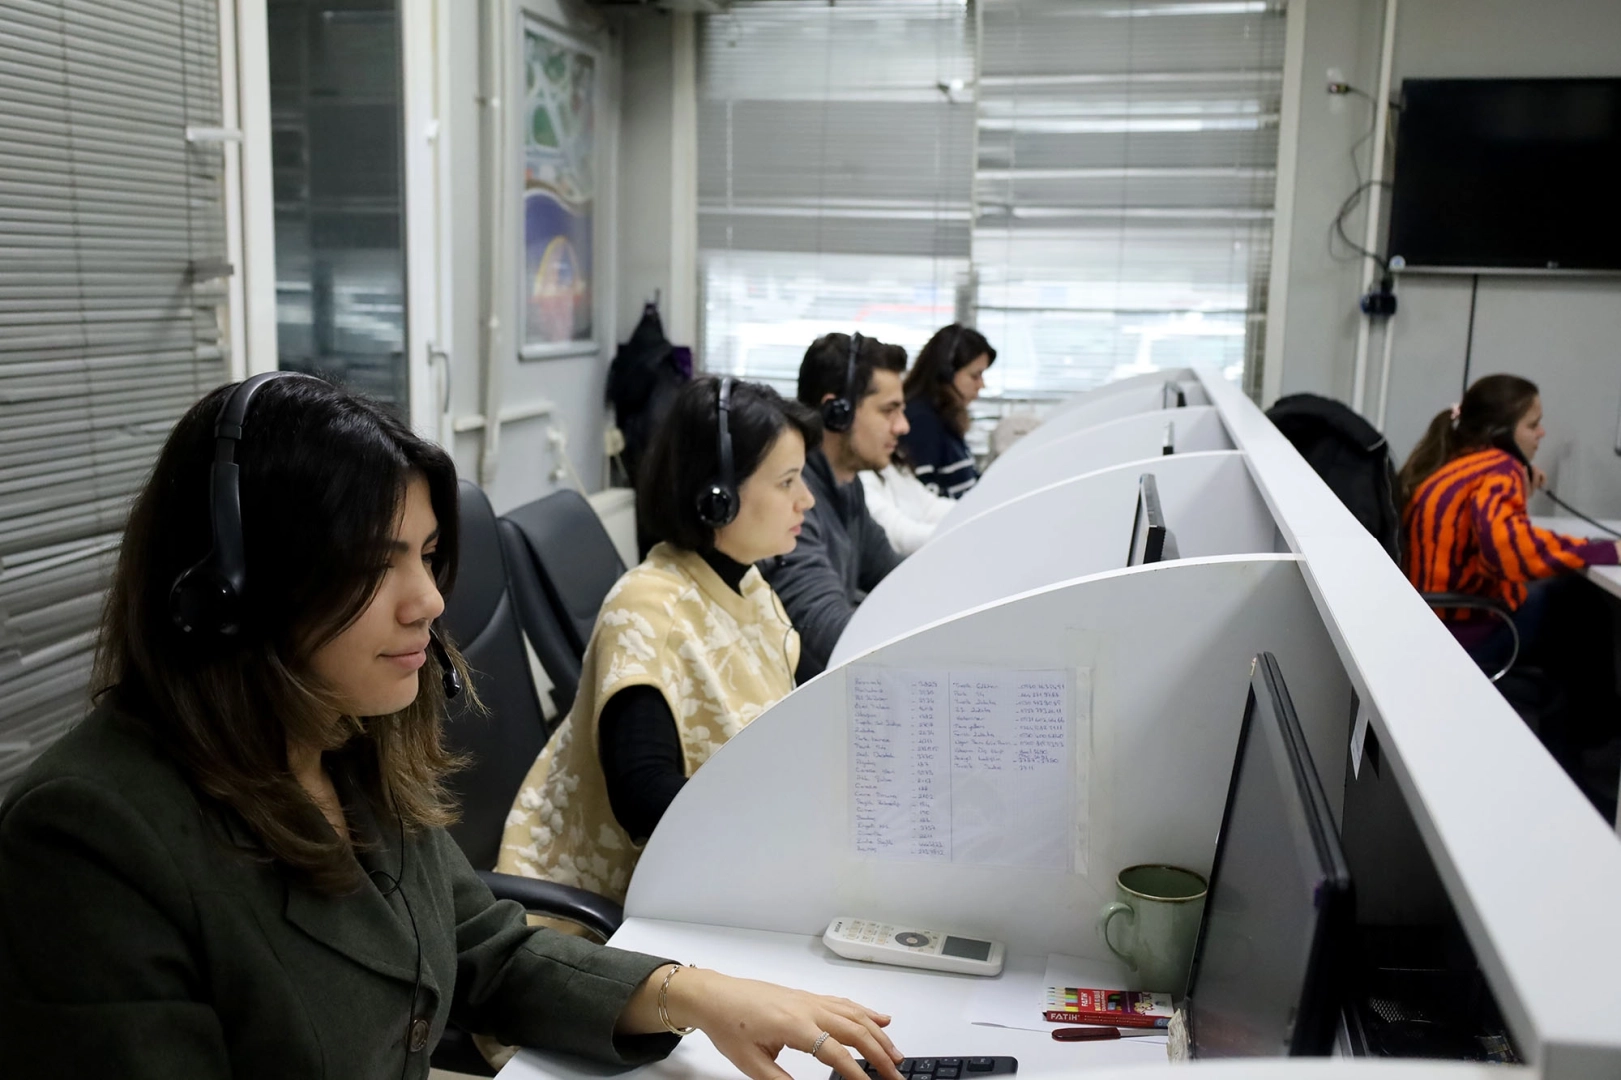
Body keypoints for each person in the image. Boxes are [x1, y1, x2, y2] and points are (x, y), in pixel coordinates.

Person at [0, 373, 903, 1080]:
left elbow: (484, 951)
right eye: (373, 565)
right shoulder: (88, 838)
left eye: (428, 557)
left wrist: (695, 996)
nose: (429, 602)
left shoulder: (342, 740)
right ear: (231, 591)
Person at [499, 376, 817, 900]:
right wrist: (781, 826)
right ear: (717, 497)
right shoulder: (646, 609)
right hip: (611, 905)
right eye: (787, 482)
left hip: (708, 864)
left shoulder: (748, 585)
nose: (806, 500)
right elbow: (644, 798)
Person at [1399, 373, 1620, 756]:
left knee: (1563, 600)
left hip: (1435, 617)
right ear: (1500, 433)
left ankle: (1580, 740)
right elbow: (1509, 555)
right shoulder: (1500, 469)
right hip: (1466, 626)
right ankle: (1594, 744)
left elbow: (1494, 540)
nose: (1542, 433)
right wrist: (1603, 552)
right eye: (1533, 425)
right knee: (1579, 601)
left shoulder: (1457, 462)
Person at [763, 332, 909, 680]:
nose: (902, 426)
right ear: (837, 411)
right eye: (888, 410)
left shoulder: (846, 485)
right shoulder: (794, 502)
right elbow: (833, 635)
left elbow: (898, 578)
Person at [899, 323, 997, 498]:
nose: (981, 385)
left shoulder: (947, 418)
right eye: (975, 375)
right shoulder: (921, 421)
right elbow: (922, 496)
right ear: (946, 374)